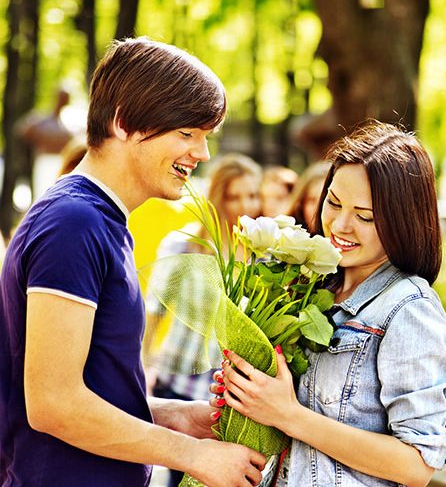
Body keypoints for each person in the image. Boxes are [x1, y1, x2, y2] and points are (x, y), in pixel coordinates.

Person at [0, 37, 265, 487]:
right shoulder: (74, 221)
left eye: (204, 138)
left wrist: (171, 415)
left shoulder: (97, 218)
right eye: (187, 134)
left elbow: (84, 387)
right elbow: (52, 403)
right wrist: (193, 455)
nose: (202, 154)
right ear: (124, 122)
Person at [212, 121, 446, 486]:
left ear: (403, 221)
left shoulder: (408, 309)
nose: (340, 225)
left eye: (365, 216)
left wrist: (289, 415)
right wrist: (246, 393)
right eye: (333, 202)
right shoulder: (308, 286)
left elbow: (416, 464)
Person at [146, 153, 263, 487]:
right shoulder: (184, 247)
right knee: (178, 477)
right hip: (179, 384)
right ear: (218, 196)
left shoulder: (266, 256)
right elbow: (153, 314)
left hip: (227, 394)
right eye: (234, 195)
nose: (244, 204)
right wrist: (143, 368)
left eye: (252, 195)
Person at [286, 160, 331, 232]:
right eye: (312, 200)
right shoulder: (285, 238)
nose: (318, 208)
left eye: (326, 200)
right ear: (301, 205)